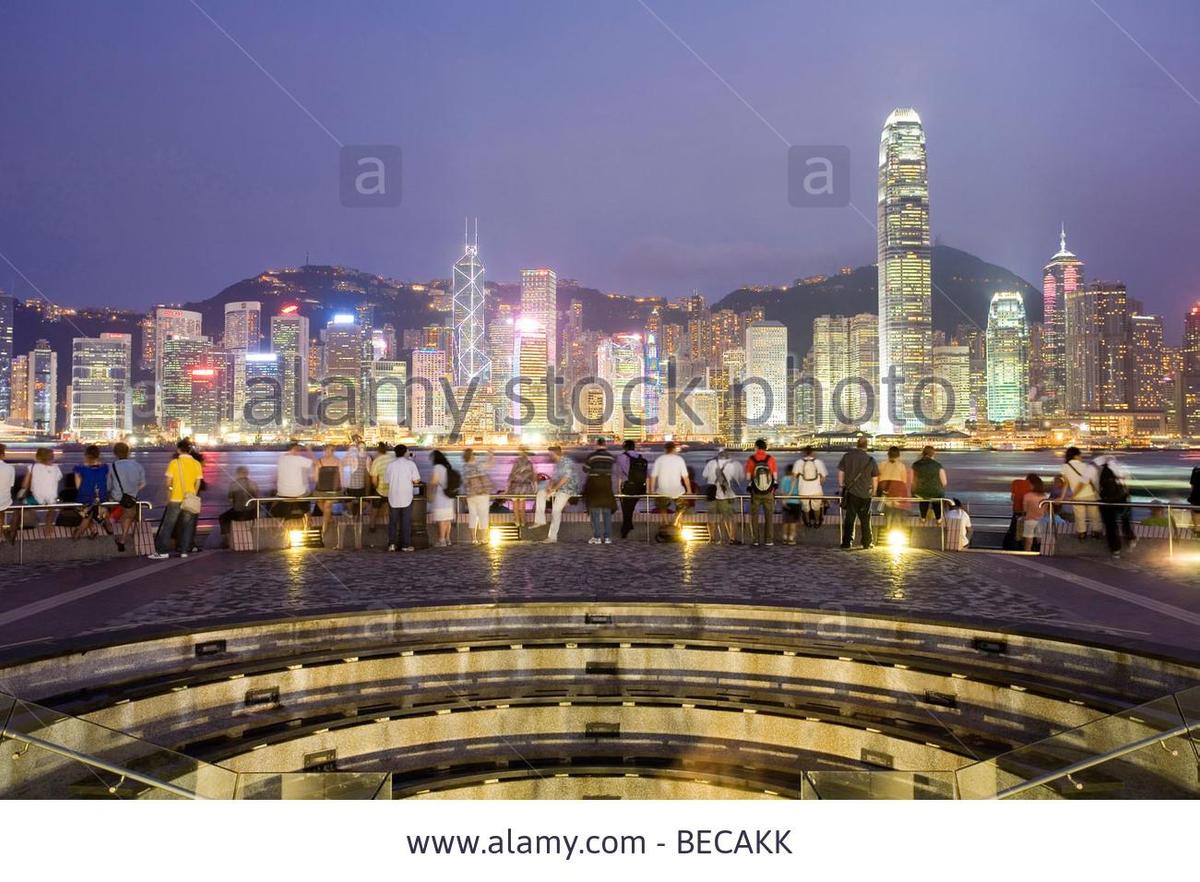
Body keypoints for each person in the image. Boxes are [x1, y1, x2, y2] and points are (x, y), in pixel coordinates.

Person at [149, 439, 203, 559]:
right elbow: (198, 482)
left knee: (168, 526)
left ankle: (162, 551)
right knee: (187, 526)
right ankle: (184, 551)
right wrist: (193, 493)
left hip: (175, 498)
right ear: (190, 450)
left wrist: (171, 489)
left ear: (178, 449)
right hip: (190, 499)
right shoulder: (196, 464)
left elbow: (168, 482)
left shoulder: (174, 463)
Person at [837, 437, 879, 550]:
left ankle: (847, 542)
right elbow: (875, 478)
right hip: (866, 494)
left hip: (851, 493)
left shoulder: (847, 457)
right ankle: (867, 542)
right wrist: (874, 491)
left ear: (857, 444)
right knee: (865, 519)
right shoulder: (871, 460)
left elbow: (841, 472)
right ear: (866, 445)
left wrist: (841, 485)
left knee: (850, 519)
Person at [1094, 453, 1135, 558]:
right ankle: (1130, 539)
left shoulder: (1101, 470)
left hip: (1107, 501)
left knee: (1110, 525)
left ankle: (1115, 549)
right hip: (1122, 499)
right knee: (1125, 520)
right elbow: (1128, 481)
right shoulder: (1120, 467)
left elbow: (1098, 486)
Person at [107, 441, 146, 552]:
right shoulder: (137, 465)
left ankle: (111, 525)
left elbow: (108, 486)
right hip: (131, 499)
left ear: (115, 453)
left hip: (116, 498)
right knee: (128, 517)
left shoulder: (112, 466)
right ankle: (123, 539)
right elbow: (143, 484)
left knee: (105, 510)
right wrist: (133, 491)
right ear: (128, 452)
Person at [384, 444, 421, 552]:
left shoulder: (390, 465)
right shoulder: (410, 464)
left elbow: (386, 480)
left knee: (393, 522)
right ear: (405, 452)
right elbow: (416, 480)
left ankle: (391, 544)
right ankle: (405, 545)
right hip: (406, 496)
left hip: (393, 496)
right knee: (406, 522)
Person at [540, 446, 580, 543]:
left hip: (568, 489)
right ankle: (552, 536)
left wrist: (554, 489)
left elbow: (565, 478)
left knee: (556, 510)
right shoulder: (558, 464)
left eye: (550, 454)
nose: (549, 456)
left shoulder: (566, 463)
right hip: (562, 489)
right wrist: (549, 486)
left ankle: (552, 537)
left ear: (554, 454)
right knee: (555, 510)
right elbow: (554, 477)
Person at [72, 444, 112, 540]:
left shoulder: (79, 468)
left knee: (85, 513)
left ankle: (77, 535)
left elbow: (78, 486)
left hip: (85, 496)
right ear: (98, 455)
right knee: (94, 509)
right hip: (101, 496)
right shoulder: (105, 467)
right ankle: (101, 525)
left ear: (86, 454)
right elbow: (106, 482)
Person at [701, 448, 741, 544]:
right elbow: (735, 479)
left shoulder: (710, 463)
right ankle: (731, 538)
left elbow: (704, 475)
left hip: (712, 493)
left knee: (711, 517)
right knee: (729, 517)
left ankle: (712, 538)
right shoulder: (731, 465)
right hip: (725, 495)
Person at [1060, 446, 1100, 541]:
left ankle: (1082, 534)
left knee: (1079, 515)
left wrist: (1062, 497)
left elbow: (1066, 483)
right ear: (1076, 455)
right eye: (1080, 455)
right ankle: (1096, 533)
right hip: (1090, 494)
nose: (1081, 457)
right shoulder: (1085, 466)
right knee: (1094, 515)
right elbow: (1088, 481)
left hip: (1077, 496)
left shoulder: (1065, 467)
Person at [744, 439, 778, 546]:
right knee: (769, 516)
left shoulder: (751, 458)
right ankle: (769, 540)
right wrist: (773, 487)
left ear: (757, 447)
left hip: (756, 492)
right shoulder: (771, 458)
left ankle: (755, 540)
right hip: (768, 492)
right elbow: (775, 476)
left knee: (754, 516)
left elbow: (748, 476)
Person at [650, 441, 691, 529]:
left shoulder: (659, 459)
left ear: (665, 449)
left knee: (662, 505)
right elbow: (685, 477)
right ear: (674, 449)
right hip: (677, 490)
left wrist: (652, 490)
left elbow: (653, 476)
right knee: (682, 505)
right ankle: (675, 520)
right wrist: (689, 490)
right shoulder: (679, 459)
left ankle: (665, 522)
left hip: (662, 490)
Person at [583, 439, 616, 544]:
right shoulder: (610, 457)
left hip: (594, 485)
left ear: (597, 445)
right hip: (607, 485)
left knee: (595, 512)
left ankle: (597, 537)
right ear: (605, 445)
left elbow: (585, 469)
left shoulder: (592, 456)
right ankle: (607, 538)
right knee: (607, 513)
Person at [218, 466, 260, 548]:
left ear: (237, 474)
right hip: (252, 513)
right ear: (247, 474)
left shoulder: (233, 484)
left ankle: (226, 540)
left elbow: (230, 500)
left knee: (223, 517)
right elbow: (257, 498)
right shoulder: (253, 483)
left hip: (239, 514)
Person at [616, 439, 649, 539]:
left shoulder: (621, 457)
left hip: (628, 486)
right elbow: (646, 475)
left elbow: (620, 475)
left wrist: (618, 489)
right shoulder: (640, 457)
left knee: (626, 507)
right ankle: (628, 525)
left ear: (624, 447)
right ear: (634, 447)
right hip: (640, 487)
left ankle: (626, 528)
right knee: (630, 506)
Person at [22, 447, 63, 527]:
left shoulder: (32, 467)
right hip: (52, 499)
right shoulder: (56, 468)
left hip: (36, 499)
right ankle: (49, 527)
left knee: (21, 504)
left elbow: (24, 485)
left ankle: (31, 523)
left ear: (38, 457)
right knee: (52, 505)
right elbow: (57, 479)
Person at [462, 448, 494, 544]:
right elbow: (490, 464)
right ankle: (483, 538)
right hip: (481, 494)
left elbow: (464, 482)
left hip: (470, 495)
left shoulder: (465, 467)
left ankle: (473, 539)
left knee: (473, 516)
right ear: (472, 456)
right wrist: (491, 454)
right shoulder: (478, 465)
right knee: (483, 516)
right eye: (474, 454)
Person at [274, 441, 313, 520]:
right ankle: (308, 518)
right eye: (299, 450)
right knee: (308, 493)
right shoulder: (299, 459)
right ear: (295, 449)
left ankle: (283, 520)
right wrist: (309, 450)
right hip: (298, 493)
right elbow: (315, 462)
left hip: (282, 493)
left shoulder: (281, 458)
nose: (300, 452)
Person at [792, 447, 828, 529]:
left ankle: (807, 522)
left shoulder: (798, 462)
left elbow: (794, 477)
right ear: (812, 452)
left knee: (805, 508)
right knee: (817, 507)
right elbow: (823, 477)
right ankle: (817, 522)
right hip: (816, 490)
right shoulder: (818, 462)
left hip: (803, 490)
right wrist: (819, 484)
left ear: (804, 453)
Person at [911, 446, 948, 524]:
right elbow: (944, 482)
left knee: (923, 498)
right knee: (937, 499)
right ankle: (938, 519)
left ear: (923, 454)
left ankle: (923, 517)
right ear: (933, 454)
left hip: (920, 491)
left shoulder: (915, 465)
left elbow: (912, 480)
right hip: (936, 491)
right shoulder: (938, 465)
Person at [877, 446, 911, 530]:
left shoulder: (881, 464)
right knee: (897, 508)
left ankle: (888, 526)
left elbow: (877, 478)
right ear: (898, 455)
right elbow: (904, 480)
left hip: (885, 487)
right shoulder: (901, 466)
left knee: (888, 508)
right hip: (898, 487)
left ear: (888, 454)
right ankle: (898, 528)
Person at [428, 449, 457, 547]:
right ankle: (448, 539)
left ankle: (441, 540)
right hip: (449, 495)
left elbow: (434, 481)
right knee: (447, 519)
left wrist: (429, 486)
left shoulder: (437, 467)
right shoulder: (447, 466)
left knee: (441, 519)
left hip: (440, 496)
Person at [506, 447, 538, 529]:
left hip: (515, 486)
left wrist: (507, 487)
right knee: (522, 504)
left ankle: (517, 521)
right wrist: (535, 487)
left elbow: (511, 475)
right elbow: (533, 477)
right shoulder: (529, 463)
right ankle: (523, 522)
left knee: (515, 504)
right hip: (524, 486)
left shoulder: (516, 462)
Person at [368, 441, 395, 533]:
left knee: (375, 508)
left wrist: (375, 487)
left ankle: (372, 526)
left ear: (378, 450)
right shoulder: (392, 459)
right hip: (392, 490)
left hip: (381, 490)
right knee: (392, 509)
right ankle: (390, 526)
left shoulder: (377, 461)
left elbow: (374, 480)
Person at [1022, 474, 1048, 553]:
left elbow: (1025, 509)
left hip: (1029, 520)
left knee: (1028, 542)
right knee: (1040, 541)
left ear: (1033, 485)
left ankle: (1027, 556)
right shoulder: (1045, 496)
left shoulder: (1027, 496)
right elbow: (1046, 510)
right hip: (1042, 521)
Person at [778, 468, 801, 545]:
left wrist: (783, 500)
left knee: (785, 522)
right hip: (796, 502)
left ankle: (785, 538)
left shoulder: (784, 479)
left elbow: (781, 491)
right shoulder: (797, 479)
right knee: (793, 522)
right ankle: (791, 538)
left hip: (786, 502)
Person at [0, 444, 15, 543]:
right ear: (2, 454)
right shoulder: (10, 468)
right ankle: (1, 533)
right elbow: (10, 485)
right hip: (3, 501)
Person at [1190, 465, 1200, 536]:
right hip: (1196, 496)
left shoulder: (1196, 469)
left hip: (1196, 496)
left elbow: (1192, 485)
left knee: (1195, 512)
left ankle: (1197, 529)